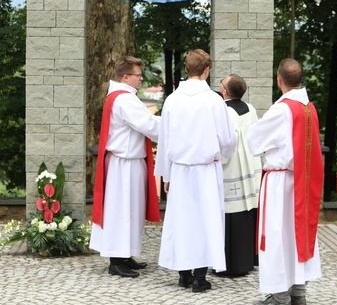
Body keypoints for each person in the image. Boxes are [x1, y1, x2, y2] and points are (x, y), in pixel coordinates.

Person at [154, 49, 237, 293]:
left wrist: (166, 175)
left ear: (187, 69)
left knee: (182, 219)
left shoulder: (172, 99)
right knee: (204, 219)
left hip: (179, 170)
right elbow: (227, 138)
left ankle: (184, 274)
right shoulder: (213, 100)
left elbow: (164, 140)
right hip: (205, 170)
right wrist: (224, 155)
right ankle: (199, 277)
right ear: (207, 69)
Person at [247, 58, 324, 305]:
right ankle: (298, 293)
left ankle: (280, 296)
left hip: (280, 183)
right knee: (297, 236)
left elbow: (254, 141)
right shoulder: (309, 107)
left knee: (279, 237)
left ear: (279, 80)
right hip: (301, 182)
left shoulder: (282, 110)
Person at [90, 55, 161, 278]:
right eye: (138, 75)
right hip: (124, 162)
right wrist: (175, 124)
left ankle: (126, 254)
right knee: (121, 211)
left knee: (131, 210)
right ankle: (116, 260)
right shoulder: (124, 100)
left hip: (128, 162)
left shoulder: (121, 97)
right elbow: (147, 124)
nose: (141, 79)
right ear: (126, 76)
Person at [217, 74, 262, 277]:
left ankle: (231, 265)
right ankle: (248, 260)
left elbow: (225, 143)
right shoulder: (250, 108)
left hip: (232, 170)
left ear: (225, 91)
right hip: (249, 171)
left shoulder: (224, 112)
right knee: (246, 215)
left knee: (230, 217)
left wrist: (218, 160)